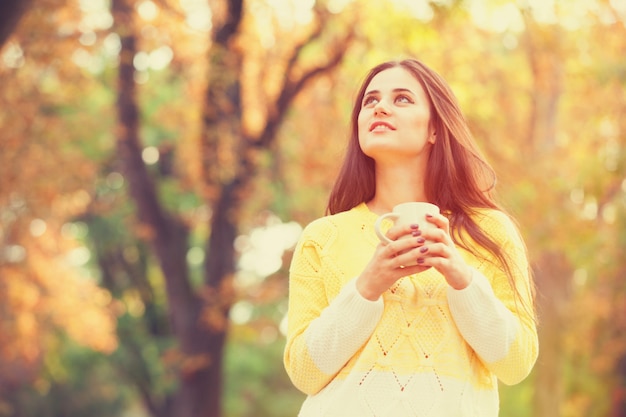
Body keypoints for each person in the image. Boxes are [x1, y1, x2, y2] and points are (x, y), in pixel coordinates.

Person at [283, 58, 539, 417]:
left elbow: (516, 364)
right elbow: (304, 372)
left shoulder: (488, 232)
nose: (381, 107)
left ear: (434, 128)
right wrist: (367, 286)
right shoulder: (322, 237)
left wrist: (461, 277)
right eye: (370, 101)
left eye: (401, 98)